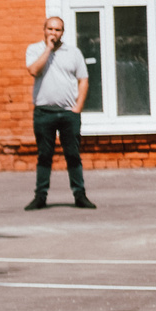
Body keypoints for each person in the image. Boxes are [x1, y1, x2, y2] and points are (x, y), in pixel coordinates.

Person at [25, 14, 94, 210]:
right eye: (50, 29)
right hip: (43, 112)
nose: (54, 33)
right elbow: (34, 71)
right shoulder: (34, 50)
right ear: (44, 30)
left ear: (63, 32)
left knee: (72, 154)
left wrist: (77, 107)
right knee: (44, 155)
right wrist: (48, 48)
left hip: (68, 114)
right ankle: (40, 196)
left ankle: (80, 195)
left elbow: (83, 80)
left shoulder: (73, 53)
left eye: (58, 30)